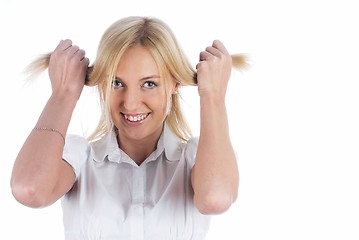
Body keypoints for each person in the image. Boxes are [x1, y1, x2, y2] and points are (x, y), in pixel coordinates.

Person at [10, 16, 246, 239]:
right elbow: (29, 190)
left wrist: (213, 96)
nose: (130, 103)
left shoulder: (198, 158)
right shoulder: (78, 159)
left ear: (175, 84)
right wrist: (63, 94)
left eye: (150, 84)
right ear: (102, 86)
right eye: (116, 82)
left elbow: (215, 198)